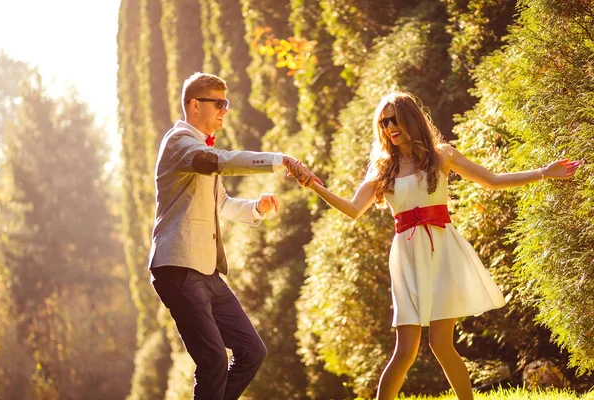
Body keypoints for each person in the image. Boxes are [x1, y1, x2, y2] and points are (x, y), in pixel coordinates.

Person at [293, 91, 581, 399]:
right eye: (384, 121)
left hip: (442, 250)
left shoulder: (441, 155)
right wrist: (313, 184)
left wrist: (543, 173)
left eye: (395, 119)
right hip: (406, 256)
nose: (390, 127)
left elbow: (492, 180)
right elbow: (352, 209)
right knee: (405, 350)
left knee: (442, 345)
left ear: (411, 119)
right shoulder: (382, 167)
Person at [148, 72, 317, 400]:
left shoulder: (200, 150)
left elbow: (221, 204)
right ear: (195, 105)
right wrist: (278, 160)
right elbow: (219, 161)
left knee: (252, 352)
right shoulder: (179, 142)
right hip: (179, 268)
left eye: (227, 104)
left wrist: (257, 207)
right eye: (219, 103)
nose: (226, 110)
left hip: (207, 273)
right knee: (212, 360)